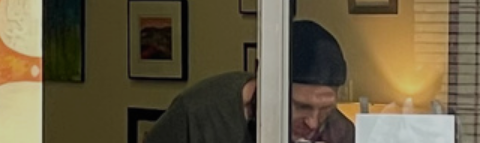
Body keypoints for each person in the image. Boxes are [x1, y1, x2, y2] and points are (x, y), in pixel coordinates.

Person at [145, 19, 354, 143]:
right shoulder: (198, 113)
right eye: (301, 106)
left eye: (325, 108)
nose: (313, 123)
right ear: (264, 83)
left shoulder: (339, 132)